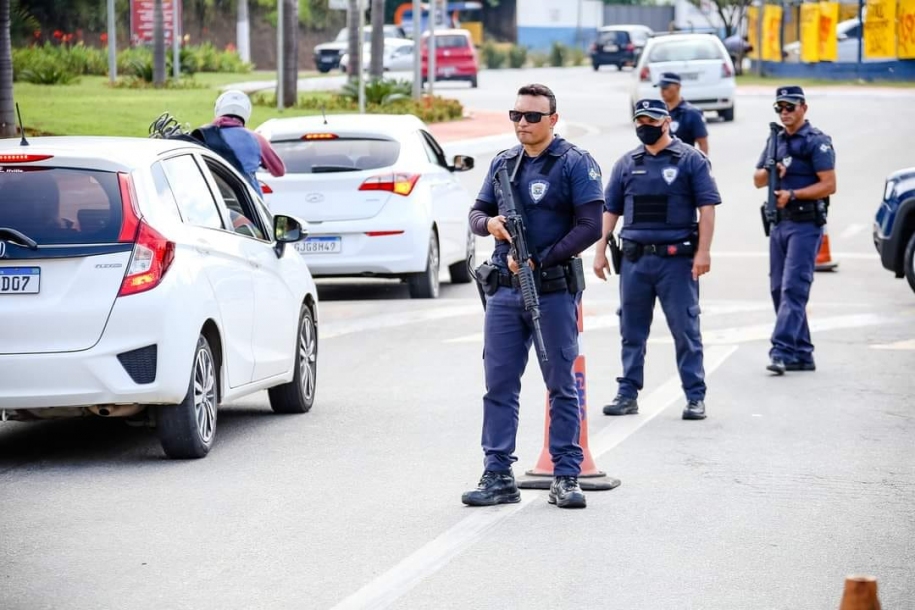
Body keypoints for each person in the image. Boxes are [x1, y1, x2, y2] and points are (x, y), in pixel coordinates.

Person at [462, 83, 604, 510]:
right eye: (516, 115)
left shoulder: (574, 162)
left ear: (553, 119)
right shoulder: (503, 163)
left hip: (552, 291)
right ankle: (498, 474)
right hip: (505, 293)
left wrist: (539, 260)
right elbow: (476, 213)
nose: (522, 123)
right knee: (499, 385)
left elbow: (591, 226)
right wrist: (490, 225)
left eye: (532, 116)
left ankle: (566, 474)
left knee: (561, 384)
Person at [594, 99, 721, 421]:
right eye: (640, 121)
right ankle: (627, 394)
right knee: (631, 331)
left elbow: (707, 208)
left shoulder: (690, 159)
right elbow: (610, 210)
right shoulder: (627, 163)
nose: (645, 126)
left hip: (676, 262)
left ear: (666, 122)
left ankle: (695, 396)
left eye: (651, 121)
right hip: (635, 261)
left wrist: (704, 251)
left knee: (685, 330)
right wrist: (599, 250)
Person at [752, 86, 836, 375]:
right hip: (779, 223)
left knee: (793, 289)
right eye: (780, 108)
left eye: (790, 107)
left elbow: (829, 185)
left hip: (805, 224)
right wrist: (772, 171)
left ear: (804, 108)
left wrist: (794, 194)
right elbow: (757, 179)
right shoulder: (776, 140)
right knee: (778, 288)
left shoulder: (816, 141)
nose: (785, 112)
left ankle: (781, 351)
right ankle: (802, 353)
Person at [202, 89, 286, 197]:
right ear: (247, 112)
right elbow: (279, 171)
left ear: (218, 109)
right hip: (247, 200)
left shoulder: (204, 135)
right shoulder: (257, 139)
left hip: (213, 198)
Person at [656, 72, 708, 155]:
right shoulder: (659, 112)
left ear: (678, 87)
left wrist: (702, 161)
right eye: (661, 88)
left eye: (665, 87)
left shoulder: (692, 113)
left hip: (684, 159)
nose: (662, 91)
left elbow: (702, 143)